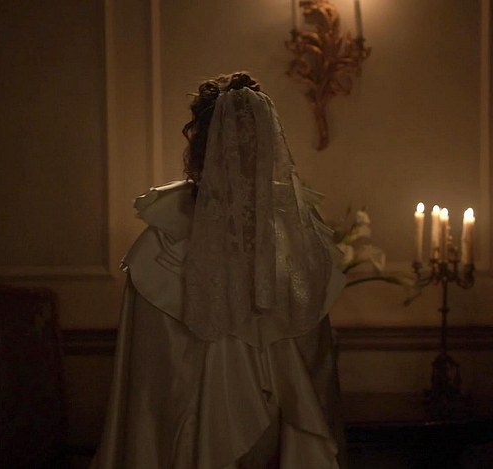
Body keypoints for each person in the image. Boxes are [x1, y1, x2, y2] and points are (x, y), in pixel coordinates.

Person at [90, 72, 347, 469]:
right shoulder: (296, 240)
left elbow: (149, 398)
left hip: (250, 439)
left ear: (198, 146)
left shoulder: (163, 245)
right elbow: (149, 383)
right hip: (255, 436)